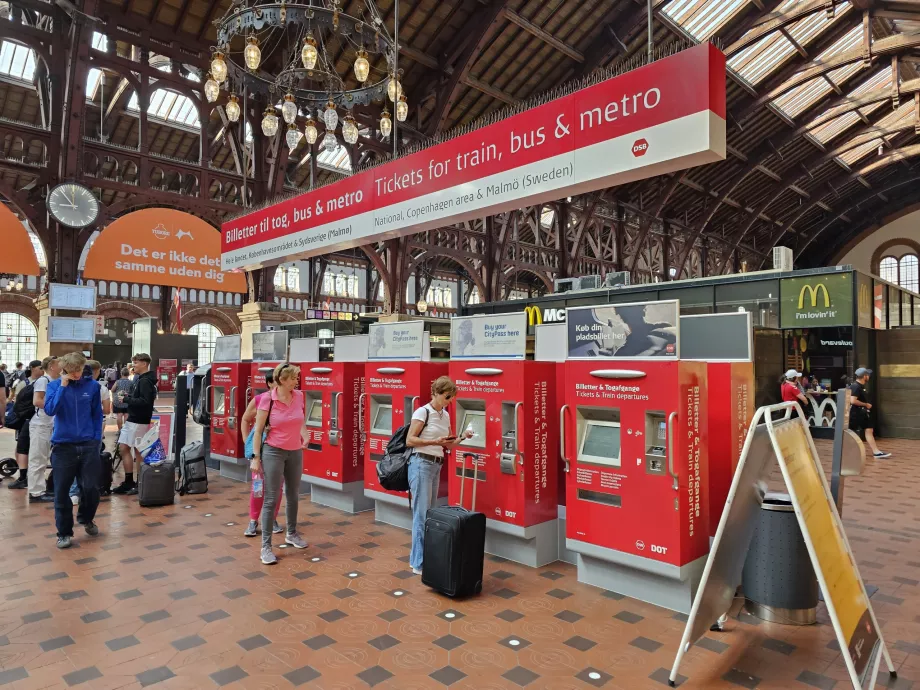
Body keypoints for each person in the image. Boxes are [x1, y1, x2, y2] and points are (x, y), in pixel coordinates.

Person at [405, 376, 474, 575]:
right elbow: (410, 440)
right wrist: (435, 441)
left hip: (436, 465)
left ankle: (422, 559)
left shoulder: (445, 415)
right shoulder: (422, 412)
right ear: (435, 393)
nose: (449, 400)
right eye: (446, 396)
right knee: (421, 515)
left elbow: (448, 445)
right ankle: (418, 563)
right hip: (420, 464)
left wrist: (462, 437)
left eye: (451, 397)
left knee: (428, 514)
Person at [251, 362, 310, 565]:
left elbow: (300, 419)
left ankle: (291, 533)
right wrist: (255, 457)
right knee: (271, 498)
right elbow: (258, 431)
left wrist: (305, 434)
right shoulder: (268, 399)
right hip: (273, 451)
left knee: (293, 494)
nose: (297, 381)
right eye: (294, 378)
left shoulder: (299, 396)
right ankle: (266, 547)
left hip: (294, 451)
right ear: (282, 380)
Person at [43, 352, 103, 549]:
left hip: (88, 445)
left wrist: (95, 439)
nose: (76, 374)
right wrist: (62, 386)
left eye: (78, 370)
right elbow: (50, 410)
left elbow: (97, 415)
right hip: (63, 446)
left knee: (91, 488)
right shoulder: (54, 385)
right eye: (71, 371)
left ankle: (86, 518)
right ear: (64, 370)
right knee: (61, 491)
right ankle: (64, 533)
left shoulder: (93, 386)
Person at [240, 371, 283, 537]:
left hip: (278, 451)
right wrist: (247, 442)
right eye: (277, 382)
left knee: (277, 488)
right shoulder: (259, 400)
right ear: (270, 384)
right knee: (258, 487)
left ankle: (272, 518)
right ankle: (253, 520)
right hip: (259, 452)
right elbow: (245, 419)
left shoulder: (289, 399)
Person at [112, 353, 157, 495]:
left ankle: (135, 482)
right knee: (132, 450)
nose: (133, 366)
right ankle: (134, 481)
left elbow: (145, 401)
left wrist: (127, 399)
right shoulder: (143, 379)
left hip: (137, 420)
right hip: (137, 419)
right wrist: (129, 397)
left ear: (144, 364)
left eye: (136, 363)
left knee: (128, 449)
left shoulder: (144, 381)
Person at [70, 361, 112, 506]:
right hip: (95, 428)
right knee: (90, 461)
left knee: (74, 460)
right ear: (97, 371)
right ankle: (88, 492)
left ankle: (74, 491)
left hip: (75, 428)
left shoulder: (73, 386)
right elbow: (107, 410)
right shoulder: (101, 388)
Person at [27, 356, 61, 502]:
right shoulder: (43, 380)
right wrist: (54, 408)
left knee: (45, 456)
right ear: (52, 366)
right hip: (40, 424)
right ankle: (36, 492)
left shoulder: (58, 381)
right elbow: (37, 400)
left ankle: (42, 487)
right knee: (38, 457)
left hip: (51, 424)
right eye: (59, 363)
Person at [5, 360, 43, 491]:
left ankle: (28, 475)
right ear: (32, 368)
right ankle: (23, 475)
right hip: (24, 420)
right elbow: (16, 400)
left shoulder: (45, 382)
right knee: (21, 446)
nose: (42, 370)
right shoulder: (23, 383)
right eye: (39, 367)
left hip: (37, 420)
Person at [849, 368, 891, 459]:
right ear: (864, 376)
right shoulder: (856, 386)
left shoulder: (860, 386)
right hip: (858, 413)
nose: (869, 376)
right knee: (856, 431)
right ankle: (874, 452)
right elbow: (852, 400)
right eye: (868, 375)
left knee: (869, 430)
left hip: (862, 413)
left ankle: (876, 452)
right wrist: (866, 404)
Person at [112, 367, 132, 436]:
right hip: (127, 401)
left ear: (121, 374)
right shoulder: (131, 382)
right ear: (128, 374)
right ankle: (126, 431)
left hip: (118, 401)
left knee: (119, 415)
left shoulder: (117, 382)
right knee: (126, 415)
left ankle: (119, 430)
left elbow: (112, 390)